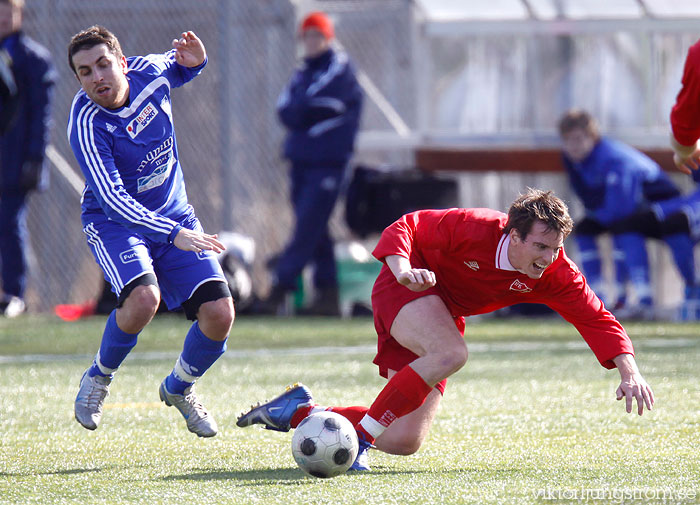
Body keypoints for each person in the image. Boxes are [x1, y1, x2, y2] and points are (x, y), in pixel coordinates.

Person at [237, 189, 655, 471]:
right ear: (512, 234)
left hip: (443, 315)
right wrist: (402, 269)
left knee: (404, 440)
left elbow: (596, 316)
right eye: (540, 247)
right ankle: (359, 441)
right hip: (402, 290)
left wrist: (629, 369)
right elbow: (407, 225)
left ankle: (297, 411)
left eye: (556, 248)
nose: (548, 258)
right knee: (452, 354)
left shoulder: (554, 274)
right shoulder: (473, 227)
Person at [67, 26, 234, 437]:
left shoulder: (149, 72)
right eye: (85, 72)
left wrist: (198, 59)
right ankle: (100, 376)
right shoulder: (86, 124)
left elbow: (181, 66)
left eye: (104, 64)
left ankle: (179, 388)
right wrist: (173, 233)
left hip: (174, 217)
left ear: (123, 62)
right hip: (115, 224)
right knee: (143, 299)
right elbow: (113, 200)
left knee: (219, 315)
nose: (97, 77)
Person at [256, 11, 363, 316]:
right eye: (307, 36)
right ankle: (328, 293)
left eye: (318, 35)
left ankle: (279, 286)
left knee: (308, 224)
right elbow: (285, 109)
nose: (312, 42)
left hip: (329, 162)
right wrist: (307, 112)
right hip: (301, 161)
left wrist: (304, 113)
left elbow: (316, 104)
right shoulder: (302, 71)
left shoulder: (339, 67)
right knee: (315, 226)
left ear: (328, 38)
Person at [559, 109, 695, 317]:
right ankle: (597, 297)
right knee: (584, 229)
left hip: (662, 207)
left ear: (592, 137)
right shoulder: (572, 160)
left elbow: (623, 206)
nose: (573, 146)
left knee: (625, 227)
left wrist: (604, 214)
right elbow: (592, 199)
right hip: (620, 210)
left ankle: (639, 299)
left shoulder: (613, 159)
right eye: (567, 140)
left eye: (578, 139)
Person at [0, 0, 55, 317]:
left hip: (13, 161)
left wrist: (34, 159)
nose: (4, 17)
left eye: (10, 11)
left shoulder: (33, 59)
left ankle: (14, 294)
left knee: (9, 224)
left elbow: (41, 115)